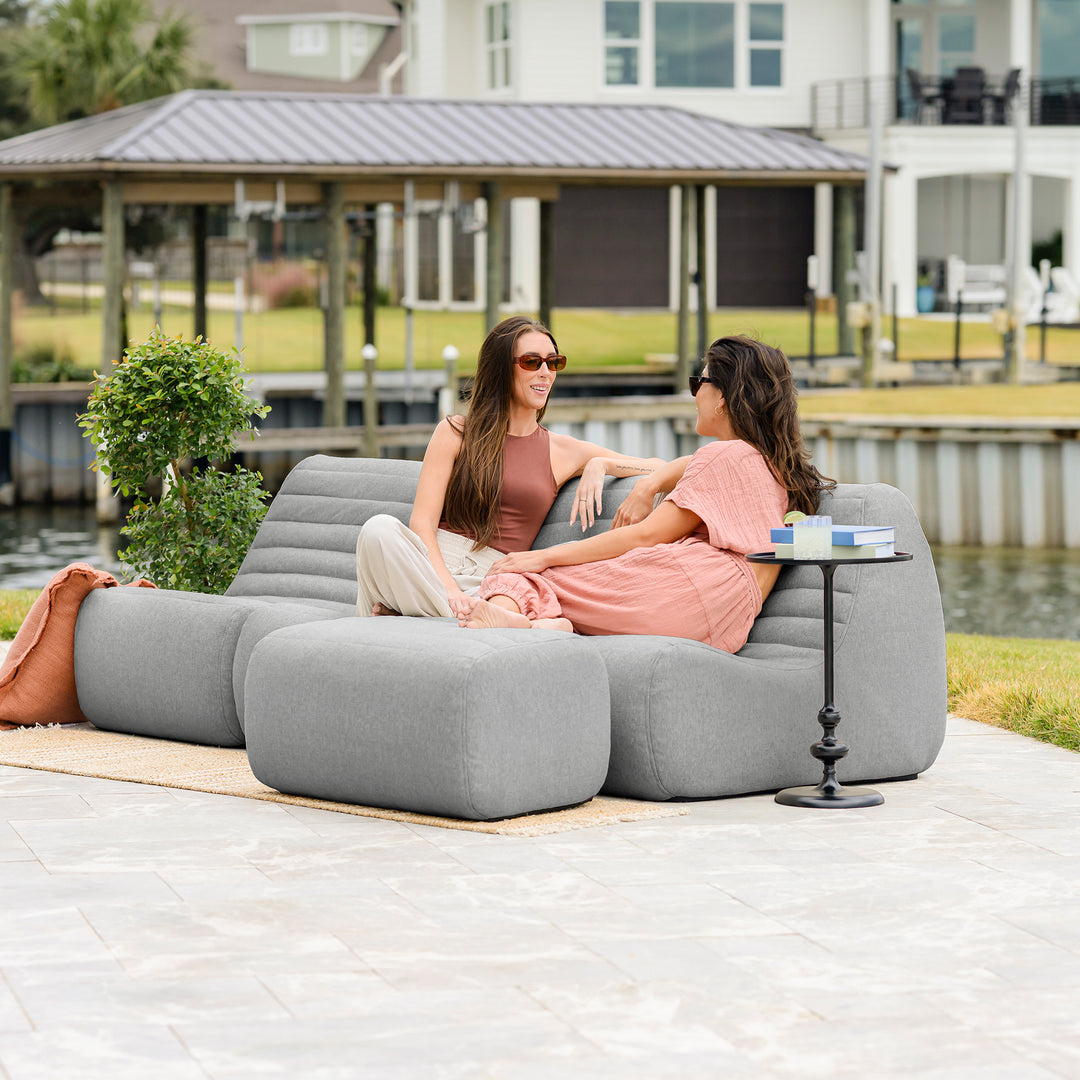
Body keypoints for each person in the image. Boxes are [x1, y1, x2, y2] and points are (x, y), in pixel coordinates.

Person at [456, 335, 835, 653]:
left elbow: (647, 534)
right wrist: (648, 482)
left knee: (521, 575)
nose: (694, 396)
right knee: (543, 582)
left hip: (685, 591)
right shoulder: (772, 465)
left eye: (697, 383)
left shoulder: (724, 455)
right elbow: (689, 464)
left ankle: (517, 617)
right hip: (728, 620)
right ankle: (545, 626)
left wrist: (540, 556)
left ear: (723, 397)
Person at [355, 315, 666, 619]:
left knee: (493, 603)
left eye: (553, 362)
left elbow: (657, 467)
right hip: (430, 569)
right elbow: (422, 526)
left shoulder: (563, 450)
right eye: (532, 362)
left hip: (494, 582)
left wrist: (603, 463)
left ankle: (420, 612)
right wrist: (450, 591)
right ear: (501, 371)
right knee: (377, 529)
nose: (545, 372)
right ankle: (459, 615)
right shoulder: (454, 432)